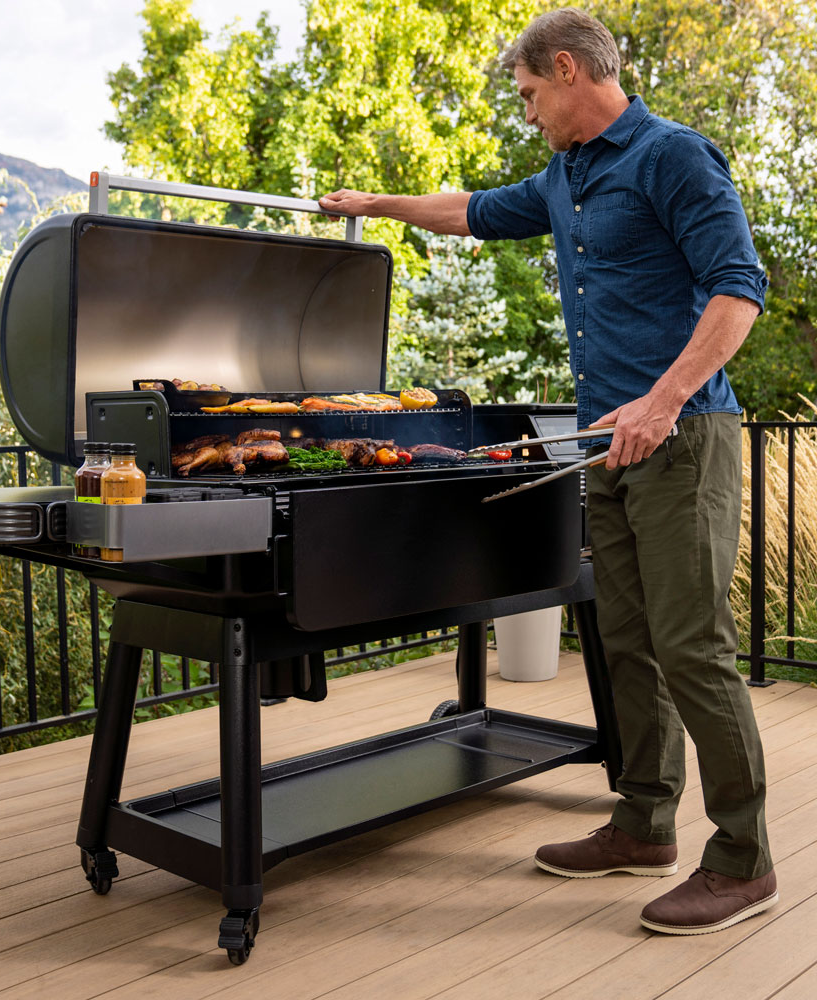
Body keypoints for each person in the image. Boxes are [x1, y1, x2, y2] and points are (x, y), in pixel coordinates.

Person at [319, 6, 776, 936]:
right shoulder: (566, 176)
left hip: (681, 442)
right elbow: (472, 213)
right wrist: (375, 207)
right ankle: (645, 823)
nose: (525, 111)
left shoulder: (672, 157)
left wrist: (665, 400)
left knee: (694, 648)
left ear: (567, 70)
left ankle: (741, 861)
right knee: (626, 640)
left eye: (529, 93)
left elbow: (740, 289)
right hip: (606, 444)